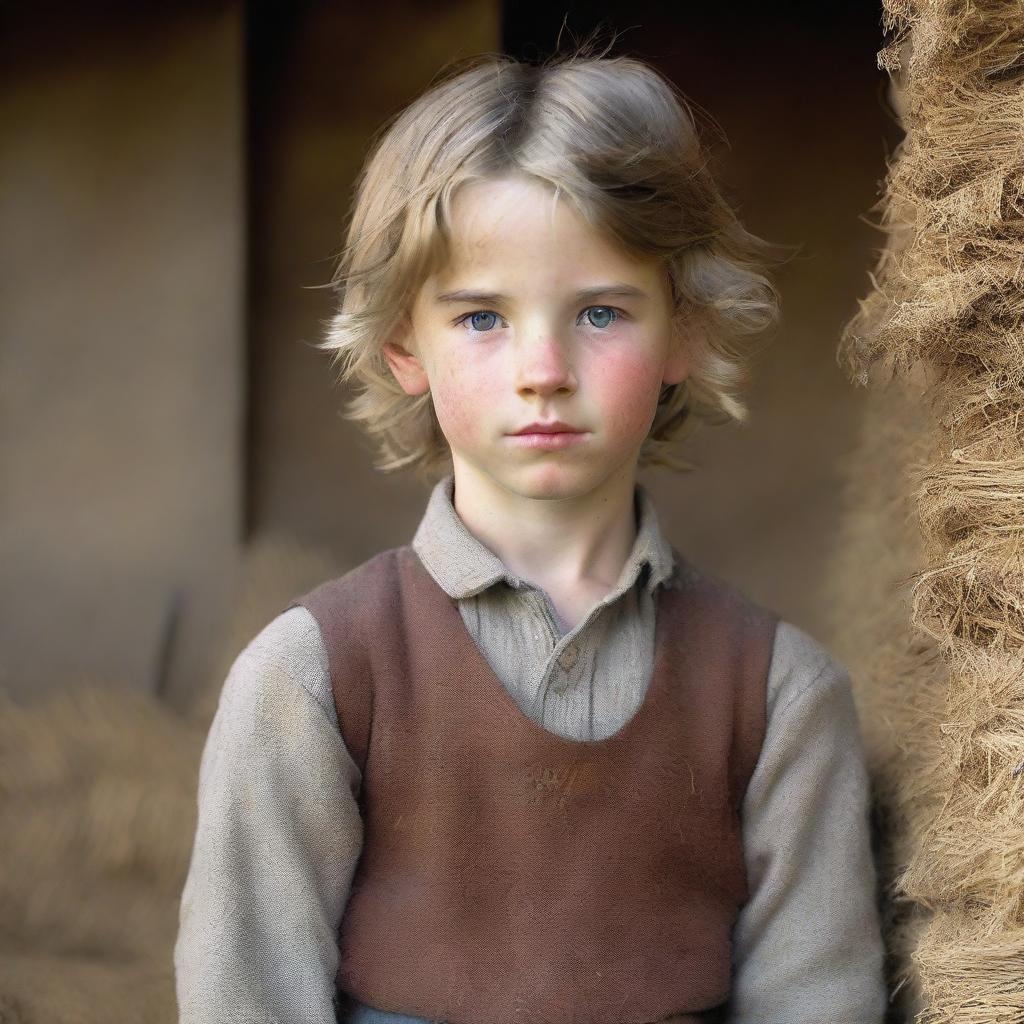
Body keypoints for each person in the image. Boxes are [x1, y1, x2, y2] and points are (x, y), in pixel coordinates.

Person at [174, 48, 887, 1024]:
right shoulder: (311, 674)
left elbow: (818, 1000)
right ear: (402, 346)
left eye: (599, 311)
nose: (543, 368)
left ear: (685, 332)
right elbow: (244, 998)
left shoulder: (779, 693)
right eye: (480, 317)